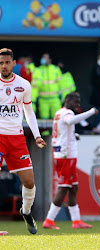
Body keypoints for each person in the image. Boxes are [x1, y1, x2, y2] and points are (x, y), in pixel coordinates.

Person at [0, 48, 47, 234]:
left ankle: (26, 212)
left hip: (17, 138)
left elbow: (29, 112)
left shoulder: (24, 85)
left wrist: (36, 135)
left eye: (6, 63)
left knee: (29, 183)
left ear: (13, 63)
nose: (3, 66)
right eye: (0, 63)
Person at [43, 92, 97, 230]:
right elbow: (69, 121)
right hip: (66, 155)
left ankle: (76, 221)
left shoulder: (58, 113)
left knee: (73, 187)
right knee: (64, 187)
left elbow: (62, 130)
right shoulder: (68, 113)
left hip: (63, 153)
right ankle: (49, 220)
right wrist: (90, 112)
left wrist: (74, 135)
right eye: (76, 103)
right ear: (69, 102)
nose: (78, 106)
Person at [38, 53, 62, 120]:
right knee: (44, 119)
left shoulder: (55, 69)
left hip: (55, 99)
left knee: (57, 118)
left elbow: (61, 84)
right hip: (43, 99)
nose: (43, 59)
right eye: (43, 57)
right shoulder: (38, 69)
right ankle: (45, 131)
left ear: (50, 59)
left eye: (45, 58)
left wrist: (62, 96)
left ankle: (55, 131)